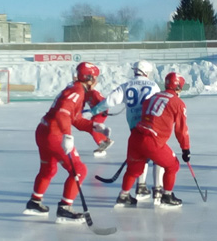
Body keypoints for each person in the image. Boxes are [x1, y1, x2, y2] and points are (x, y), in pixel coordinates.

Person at [23, 62, 111, 223]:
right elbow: (63, 113)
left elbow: (75, 118)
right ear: (89, 78)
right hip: (54, 134)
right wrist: (67, 136)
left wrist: (94, 126)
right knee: (79, 169)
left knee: (48, 169)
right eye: (95, 77)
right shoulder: (78, 91)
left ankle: (35, 201)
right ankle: (65, 207)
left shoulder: (75, 88)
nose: (97, 81)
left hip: (44, 130)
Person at [91, 60, 164, 203]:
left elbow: (110, 101)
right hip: (151, 126)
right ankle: (158, 189)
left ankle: (141, 186)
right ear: (146, 72)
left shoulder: (126, 86)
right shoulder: (153, 85)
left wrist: (94, 111)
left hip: (134, 127)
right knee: (158, 155)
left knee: (141, 154)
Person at [116, 72, 190, 209]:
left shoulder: (152, 97)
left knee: (134, 170)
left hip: (136, 136)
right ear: (178, 87)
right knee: (173, 165)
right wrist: (185, 149)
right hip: (153, 140)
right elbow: (181, 130)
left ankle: (124, 195)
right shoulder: (178, 103)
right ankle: (167, 196)